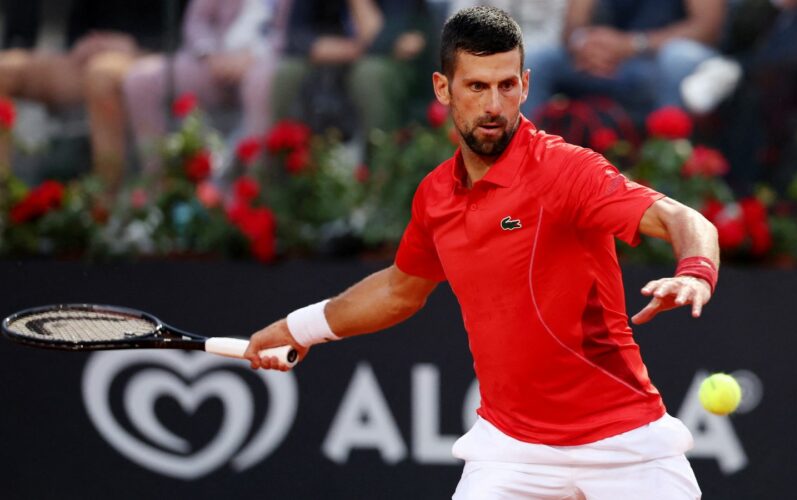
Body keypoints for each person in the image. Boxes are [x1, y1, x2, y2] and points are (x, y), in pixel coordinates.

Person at [246, 6, 718, 499]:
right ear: (442, 88)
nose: (494, 104)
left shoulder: (567, 171)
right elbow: (397, 291)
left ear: (525, 85)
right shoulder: (434, 196)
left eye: (506, 85)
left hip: (626, 442)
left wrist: (695, 272)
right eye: (476, 87)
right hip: (510, 451)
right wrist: (295, 329)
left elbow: (683, 218)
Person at [0, 0, 189, 189]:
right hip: (87, 56)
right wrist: (84, 42)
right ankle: (4, 199)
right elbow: (78, 24)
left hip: (146, 56)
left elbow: (188, 29)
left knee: (100, 76)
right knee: (4, 71)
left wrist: (135, 45)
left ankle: (107, 205)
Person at [123, 0, 293, 171]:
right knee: (140, 81)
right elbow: (197, 21)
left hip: (268, 63)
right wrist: (210, 54)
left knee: (261, 82)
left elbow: (294, 27)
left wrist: (254, 56)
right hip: (214, 61)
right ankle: (158, 184)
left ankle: (252, 187)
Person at [522, 0, 728, 119]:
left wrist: (632, 45)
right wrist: (584, 45)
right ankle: (522, 167)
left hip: (659, 63)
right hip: (605, 62)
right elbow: (573, 27)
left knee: (678, 58)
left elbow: (707, 28)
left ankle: (668, 176)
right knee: (537, 61)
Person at [270, 0, 431, 138]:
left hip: (393, 68)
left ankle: (378, 167)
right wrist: (353, 49)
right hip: (336, 53)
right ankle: (285, 162)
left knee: (370, 74)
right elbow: (294, 36)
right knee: (287, 72)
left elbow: (381, 38)